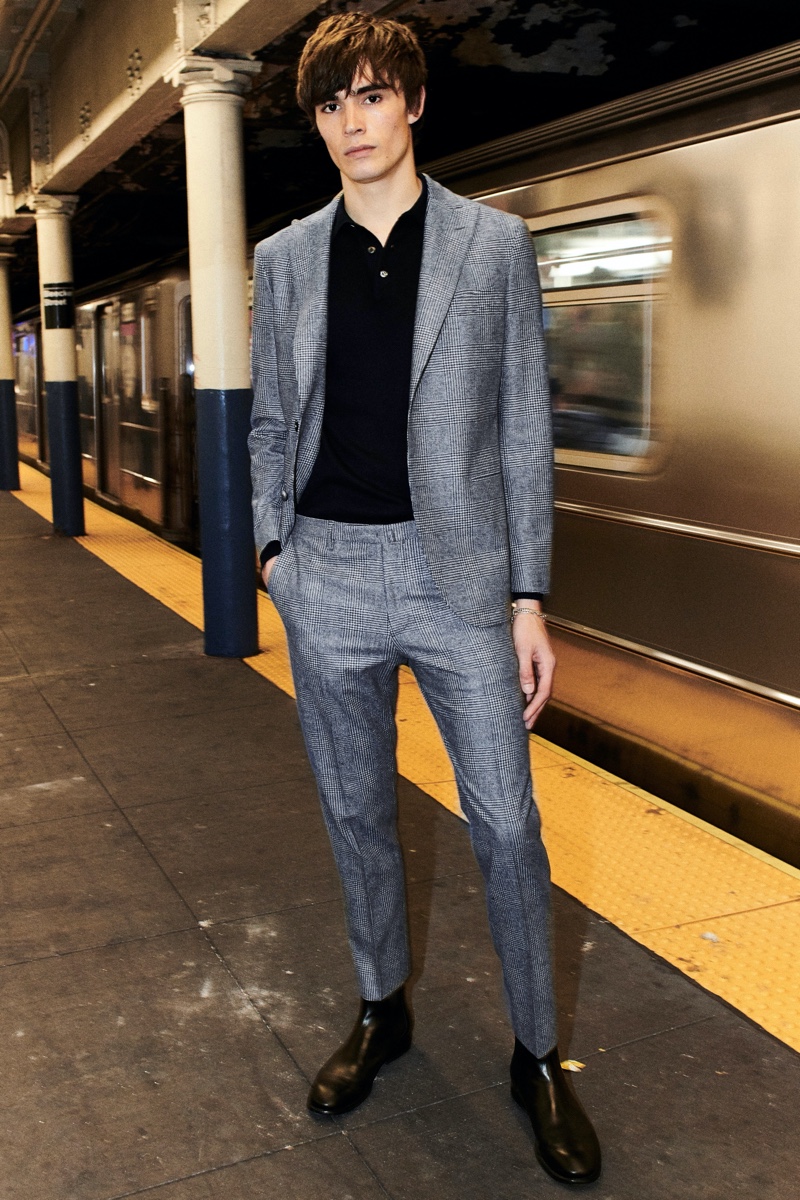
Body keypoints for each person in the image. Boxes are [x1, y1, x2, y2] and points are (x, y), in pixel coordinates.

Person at [248, 11, 601, 1186]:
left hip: (459, 584)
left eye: (370, 94)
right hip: (328, 578)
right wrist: (274, 558)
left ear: (411, 103)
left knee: (505, 824)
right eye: (330, 103)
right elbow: (268, 422)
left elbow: (521, 432)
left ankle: (536, 1056)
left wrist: (526, 598)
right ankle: (378, 1007)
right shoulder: (284, 258)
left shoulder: (490, 246)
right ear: (318, 125)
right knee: (356, 814)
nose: (352, 120)